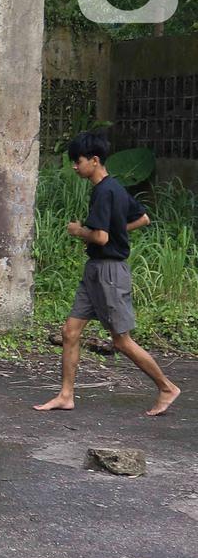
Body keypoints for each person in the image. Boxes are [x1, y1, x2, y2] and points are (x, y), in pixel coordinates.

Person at [34, 131, 180, 416]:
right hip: (95, 271)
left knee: (121, 341)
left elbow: (100, 237)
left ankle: (166, 387)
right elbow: (142, 218)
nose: (75, 167)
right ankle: (66, 395)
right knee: (70, 332)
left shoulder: (104, 191)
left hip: (110, 273)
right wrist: (114, 234)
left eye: (78, 161)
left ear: (94, 160)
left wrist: (79, 232)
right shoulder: (115, 188)